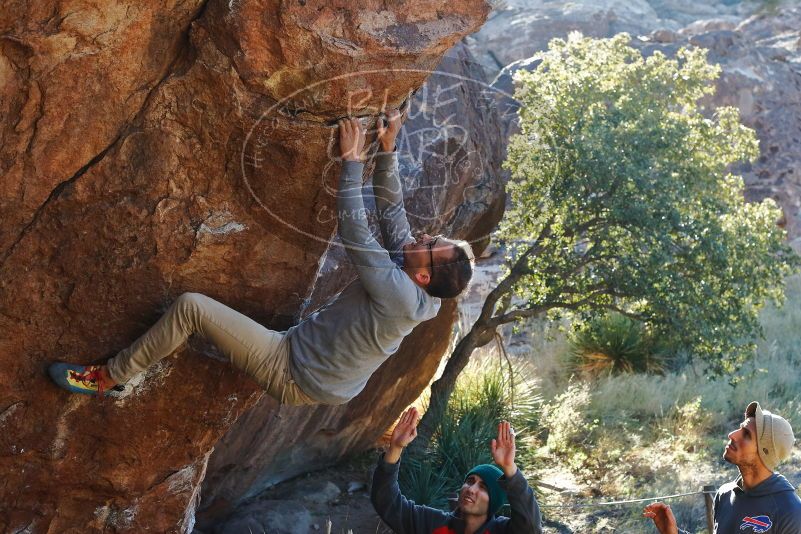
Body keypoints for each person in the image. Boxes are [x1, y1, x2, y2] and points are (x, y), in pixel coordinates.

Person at [48, 110, 475, 404]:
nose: (423, 235)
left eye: (430, 243)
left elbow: (357, 232)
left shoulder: (402, 295)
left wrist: (351, 162)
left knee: (190, 308)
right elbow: (392, 215)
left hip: (293, 370)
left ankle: (110, 379)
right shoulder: (420, 281)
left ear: (422, 276)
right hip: (322, 368)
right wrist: (388, 148)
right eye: (434, 236)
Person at [371, 407, 543, 533]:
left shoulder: (503, 531)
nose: (471, 489)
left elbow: (531, 527)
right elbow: (386, 502)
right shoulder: (431, 523)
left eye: (483, 487)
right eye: (470, 481)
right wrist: (395, 448)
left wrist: (509, 467)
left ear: (495, 502)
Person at [643, 401, 800, 534]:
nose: (732, 434)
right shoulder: (725, 494)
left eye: (746, 434)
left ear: (765, 452)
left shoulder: (791, 513)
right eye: (740, 428)